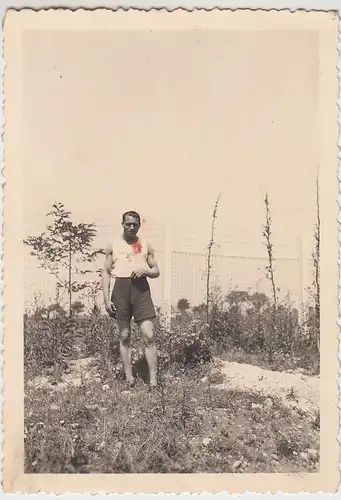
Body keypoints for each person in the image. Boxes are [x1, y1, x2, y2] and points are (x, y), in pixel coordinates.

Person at [102, 211, 160, 388]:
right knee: (124, 335)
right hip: (121, 289)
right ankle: (129, 379)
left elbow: (156, 270)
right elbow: (105, 271)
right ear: (122, 224)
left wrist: (145, 271)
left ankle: (154, 382)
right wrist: (106, 299)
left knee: (148, 335)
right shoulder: (113, 245)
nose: (132, 227)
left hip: (141, 290)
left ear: (139, 226)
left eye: (135, 224)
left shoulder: (145, 245)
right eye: (128, 224)